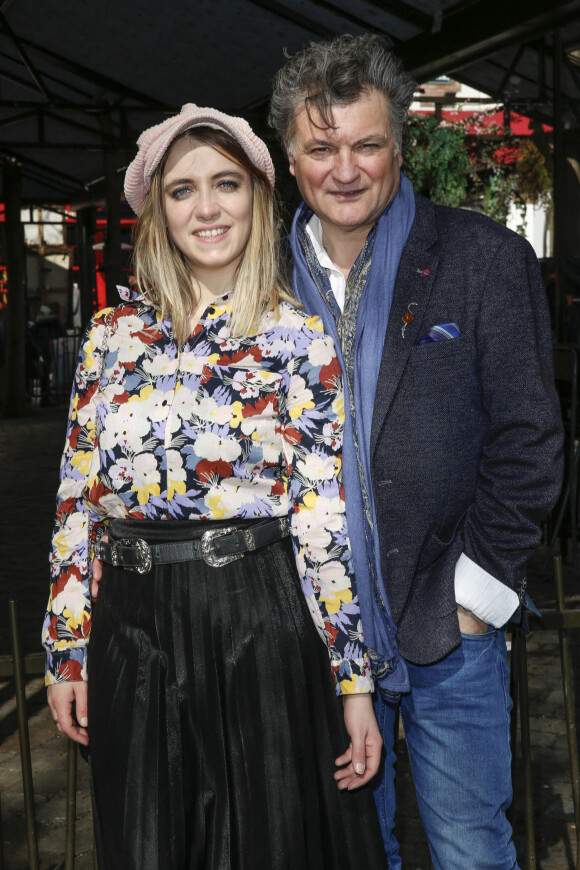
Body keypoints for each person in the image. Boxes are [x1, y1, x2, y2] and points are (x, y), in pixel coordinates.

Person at [42, 104, 389, 870]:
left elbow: (321, 519)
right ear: (156, 211)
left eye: (225, 184)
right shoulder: (110, 334)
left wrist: (352, 681)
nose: (206, 207)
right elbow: (77, 503)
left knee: (263, 844)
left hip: (255, 622)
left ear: (258, 197)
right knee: (143, 846)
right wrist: (67, 651)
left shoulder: (298, 336)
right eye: (182, 190)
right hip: (130, 627)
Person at [268, 34, 564, 870]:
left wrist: (477, 591)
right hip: (315, 637)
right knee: (356, 854)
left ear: (399, 145)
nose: (345, 168)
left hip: (448, 626)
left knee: (472, 850)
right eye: (321, 147)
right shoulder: (259, 283)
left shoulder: (483, 260)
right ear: (291, 158)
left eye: (366, 143)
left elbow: (531, 439)